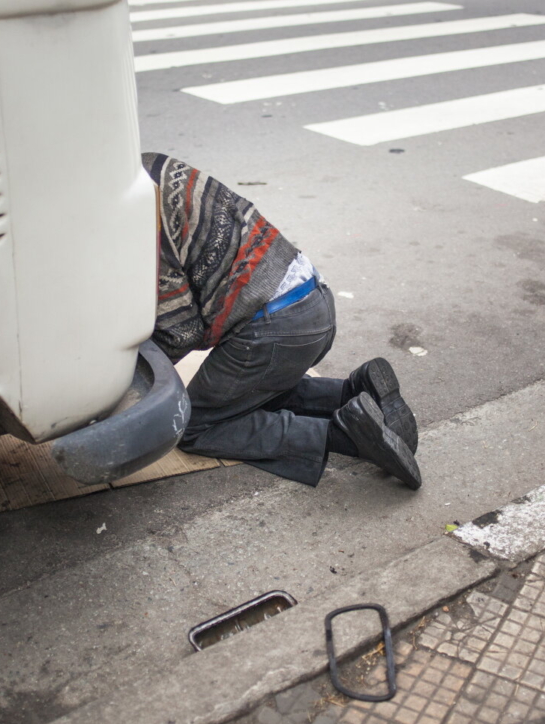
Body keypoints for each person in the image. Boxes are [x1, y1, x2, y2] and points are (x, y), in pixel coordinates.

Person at [144, 152, 421, 490]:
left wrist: (129, 385)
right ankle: (355, 393)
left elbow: (181, 331)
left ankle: (346, 436)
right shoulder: (153, 166)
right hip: (313, 302)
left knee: (194, 424)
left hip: (274, 329)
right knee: (251, 397)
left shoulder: (134, 216)